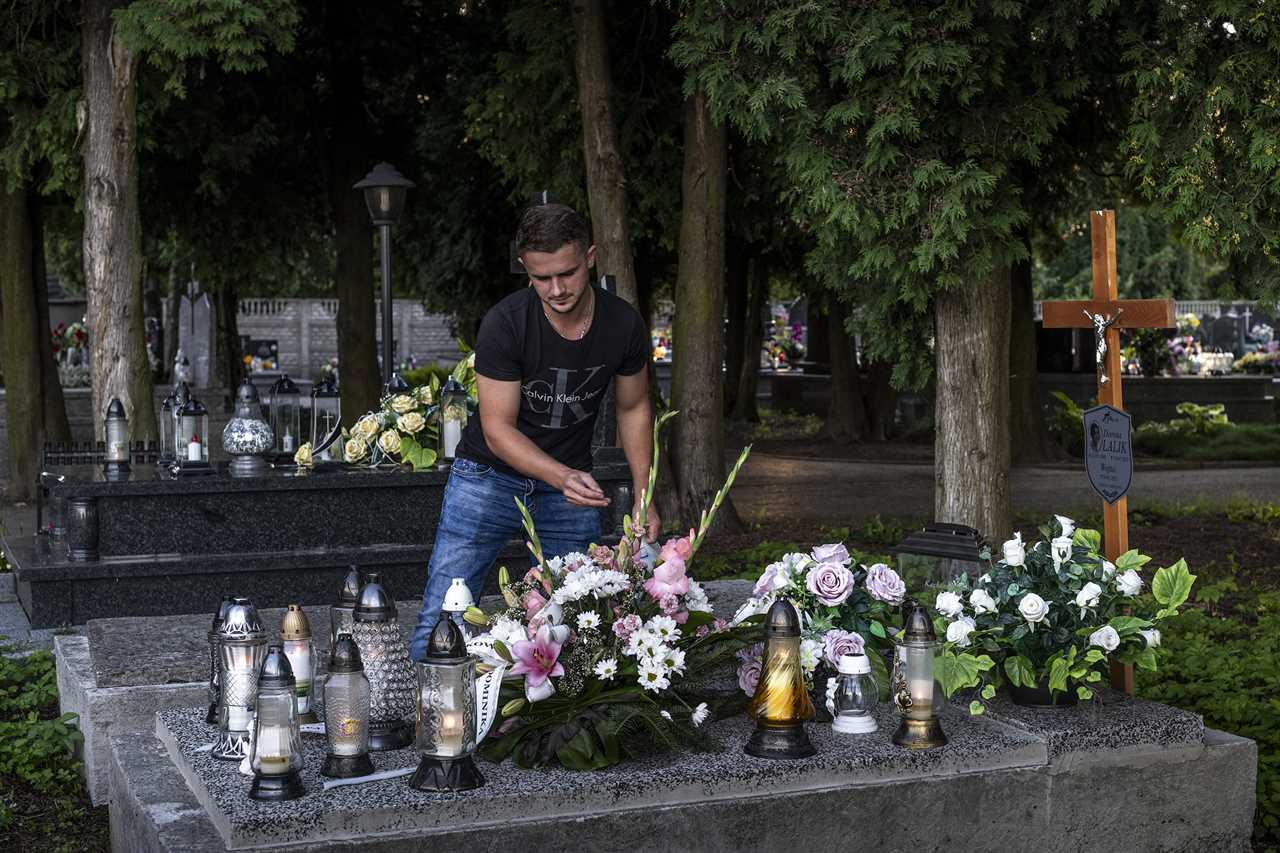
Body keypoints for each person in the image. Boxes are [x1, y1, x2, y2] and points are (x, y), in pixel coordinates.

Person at [408, 203, 658, 660]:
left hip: (567, 491)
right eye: (542, 278)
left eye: (566, 273)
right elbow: (498, 429)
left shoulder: (623, 324)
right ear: (525, 268)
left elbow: (635, 405)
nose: (557, 289)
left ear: (590, 258)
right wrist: (561, 476)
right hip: (487, 478)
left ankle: (561, 729)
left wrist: (644, 495)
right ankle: (430, 726)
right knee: (446, 613)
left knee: (579, 619)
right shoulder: (505, 324)